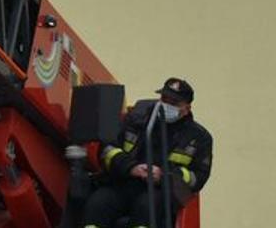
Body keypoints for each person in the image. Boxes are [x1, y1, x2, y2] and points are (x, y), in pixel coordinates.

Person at [84, 77, 214, 228]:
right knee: (98, 203)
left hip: (160, 192)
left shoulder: (199, 138)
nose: (166, 105)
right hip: (125, 181)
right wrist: (131, 167)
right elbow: (107, 150)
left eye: (174, 103)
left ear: (187, 108)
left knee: (146, 209)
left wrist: (163, 175)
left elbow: (197, 178)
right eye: (164, 99)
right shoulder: (135, 119)